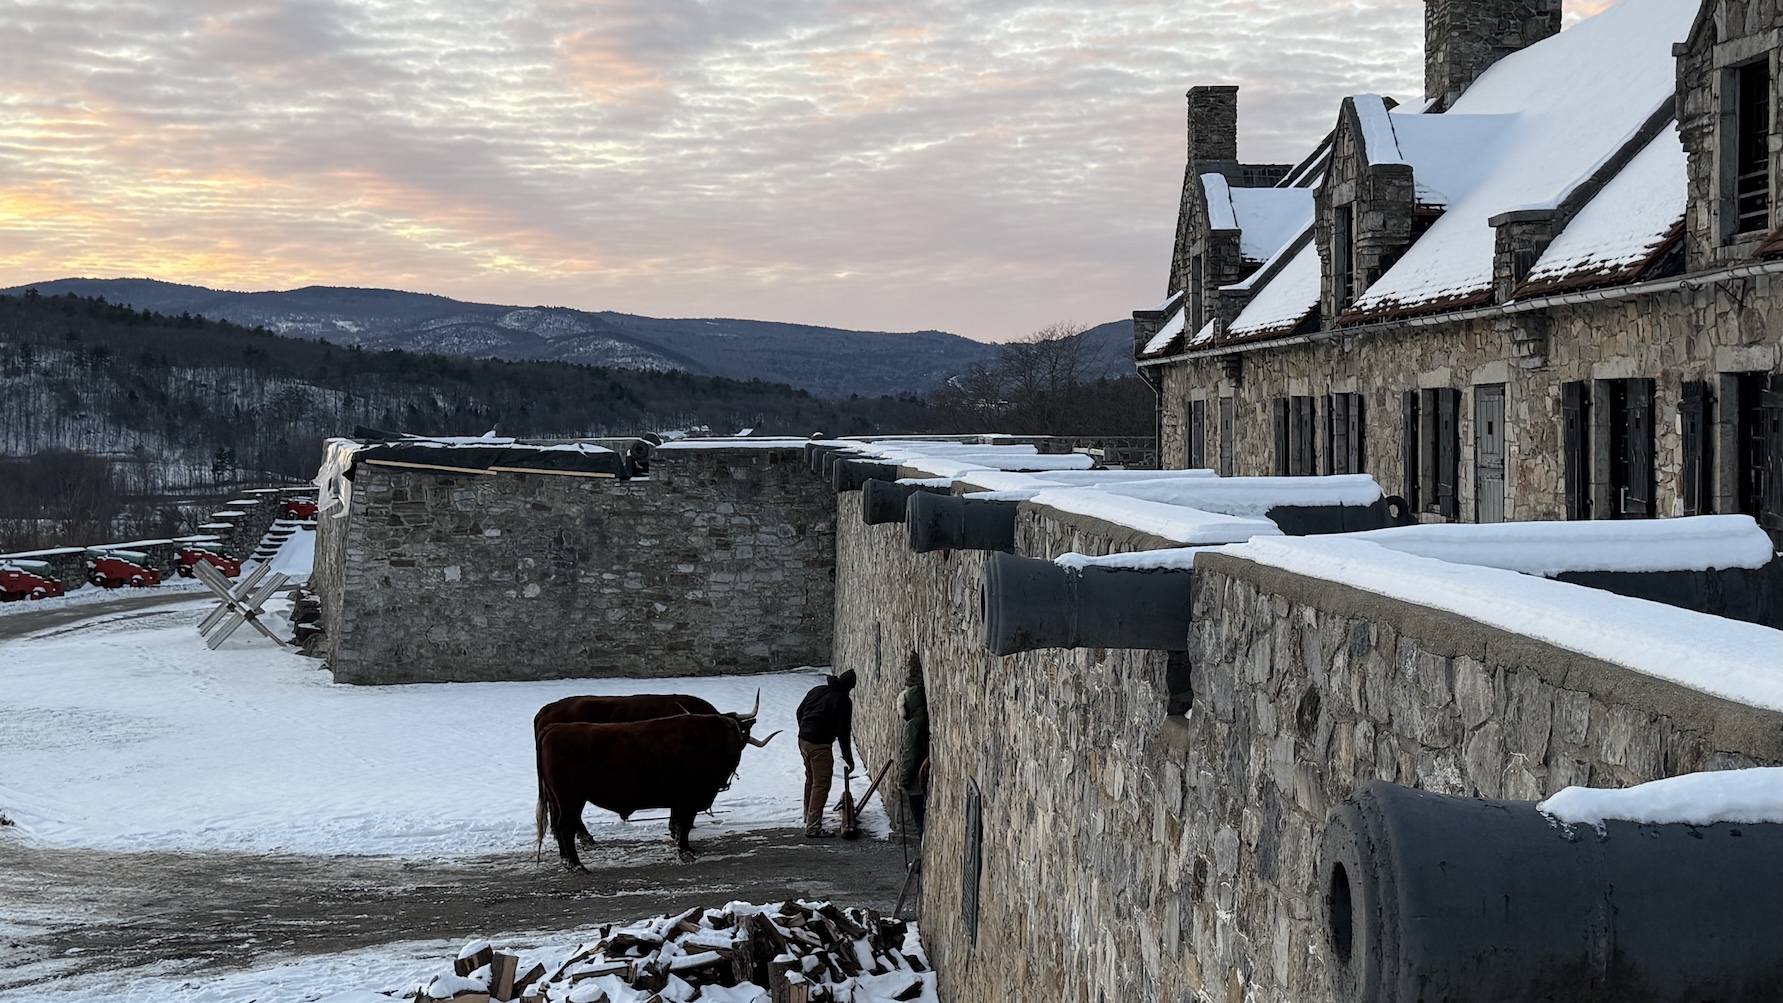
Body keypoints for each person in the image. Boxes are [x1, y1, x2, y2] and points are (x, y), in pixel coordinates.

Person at [796, 668, 856, 838]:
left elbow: (799, 712)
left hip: (803, 740)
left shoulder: (817, 690)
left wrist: (805, 728)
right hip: (819, 744)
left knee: (811, 778)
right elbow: (843, 731)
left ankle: (808, 815)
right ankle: (813, 826)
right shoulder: (843, 700)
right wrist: (848, 758)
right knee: (821, 784)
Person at [898, 654, 929, 835]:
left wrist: (903, 779)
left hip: (916, 781)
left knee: (919, 820)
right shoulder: (923, 718)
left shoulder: (913, 725)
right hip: (922, 774)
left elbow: (910, 753)